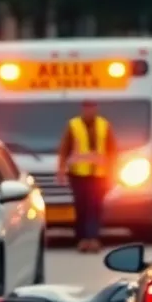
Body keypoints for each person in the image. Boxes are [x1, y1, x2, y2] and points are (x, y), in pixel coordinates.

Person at [57, 99, 117, 252]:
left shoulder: (104, 125)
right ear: (82, 109)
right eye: (87, 108)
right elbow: (64, 149)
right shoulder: (73, 125)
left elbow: (112, 151)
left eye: (92, 107)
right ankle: (82, 239)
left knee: (95, 207)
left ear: (96, 108)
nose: (89, 111)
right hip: (78, 174)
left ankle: (93, 239)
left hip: (99, 175)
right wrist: (61, 170)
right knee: (81, 208)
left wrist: (113, 172)